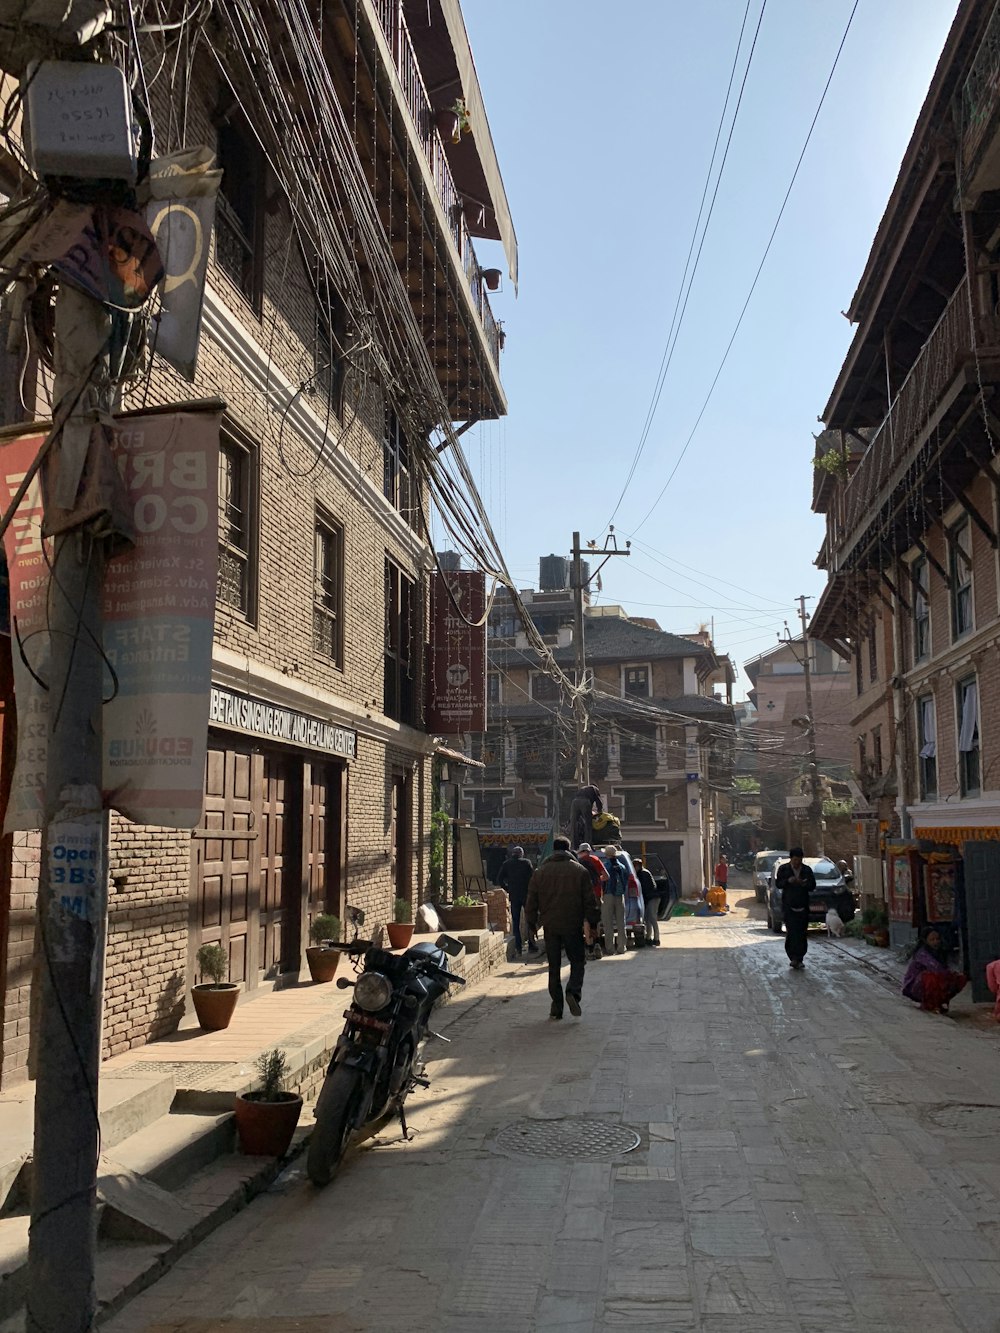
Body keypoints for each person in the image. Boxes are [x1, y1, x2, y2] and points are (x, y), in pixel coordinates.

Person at [526, 836, 600, 1020]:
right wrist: (592, 923)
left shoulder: (540, 872)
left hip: (550, 926)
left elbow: (531, 901)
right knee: (577, 962)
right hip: (572, 925)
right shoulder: (579, 871)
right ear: (568, 850)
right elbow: (590, 901)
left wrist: (531, 924)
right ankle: (573, 992)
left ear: (553, 849)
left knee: (554, 967)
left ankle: (556, 1007)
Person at [902, 926, 968, 1013]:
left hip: (936, 979)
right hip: (915, 986)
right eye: (932, 940)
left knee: (960, 978)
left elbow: (947, 968)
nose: (936, 942)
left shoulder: (941, 951)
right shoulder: (922, 953)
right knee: (931, 977)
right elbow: (936, 968)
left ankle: (939, 1002)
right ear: (925, 941)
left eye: (937, 939)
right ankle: (929, 1004)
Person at [776, 847, 815, 969]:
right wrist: (788, 881)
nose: (797, 863)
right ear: (791, 859)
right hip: (789, 906)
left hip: (803, 906)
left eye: (799, 860)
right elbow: (778, 884)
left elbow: (812, 885)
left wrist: (804, 883)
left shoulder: (807, 870)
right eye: (795, 860)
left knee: (802, 933)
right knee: (791, 932)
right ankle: (793, 957)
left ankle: (800, 957)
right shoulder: (784, 869)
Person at [497, 845, 535, 958]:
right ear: (522, 854)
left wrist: (507, 888)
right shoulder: (527, 863)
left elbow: (499, 879)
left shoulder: (507, 864)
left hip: (514, 896)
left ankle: (518, 948)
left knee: (516, 922)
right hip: (526, 895)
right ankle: (532, 945)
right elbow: (533, 878)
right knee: (530, 920)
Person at [601, 847, 629, 955]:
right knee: (621, 922)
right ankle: (622, 947)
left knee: (608, 923)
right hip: (620, 895)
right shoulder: (622, 866)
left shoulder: (605, 866)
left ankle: (610, 949)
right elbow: (626, 880)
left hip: (608, 895)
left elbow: (602, 880)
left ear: (607, 855)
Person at [635, 859, 662, 946]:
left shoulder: (643, 874)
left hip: (652, 898)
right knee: (647, 919)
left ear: (638, 866)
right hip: (650, 898)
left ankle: (657, 939)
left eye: (635, 866)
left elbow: (645, 889)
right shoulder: (641, 873)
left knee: (652, 918)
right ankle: (648, 938)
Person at [569, 784, 603, 849]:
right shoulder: (594, 788)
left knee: (574, 824)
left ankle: (574, 845)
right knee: (588, 825)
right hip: (584, 802)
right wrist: (600, 812)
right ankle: (588, 844)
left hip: (574, 802)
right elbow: (599, 801)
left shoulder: (582, 789)